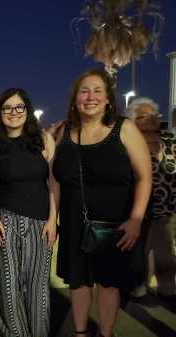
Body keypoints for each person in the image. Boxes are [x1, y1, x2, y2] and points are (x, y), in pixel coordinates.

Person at [52, 69, 152, 337]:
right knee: (78, 282)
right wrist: (52, 220)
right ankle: (81, 332)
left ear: (109, 99)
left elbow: (144, 177)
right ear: (75, 100)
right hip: (75, 221)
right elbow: (56, 180)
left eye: (98, 91)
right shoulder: (63, 132)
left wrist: (136, 219)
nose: (90, 96)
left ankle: (106, 332)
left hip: (115, 222)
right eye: (84, 91)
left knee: (109, 284)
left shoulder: (124, 129)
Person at [0, 88, 57, 337]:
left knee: (38, 285)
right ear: (0, 113)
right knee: (9, 285)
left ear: (27, 110)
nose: (13, 112)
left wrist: (53, 219)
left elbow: (54, 183)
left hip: (40, 221)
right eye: (7, 108)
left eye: (19, 107)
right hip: (5, 219)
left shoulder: (43, 139)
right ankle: (14, 333)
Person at [126, 97, 176, 303]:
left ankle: (168, 288)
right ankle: (138, 288)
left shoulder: (170, 140)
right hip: (140, 208)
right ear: (133, 120)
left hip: (169, 208)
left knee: (165, 252)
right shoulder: (129, 141)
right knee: (141, 252)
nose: (151, 119)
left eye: (154, 115)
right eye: (144, 116)